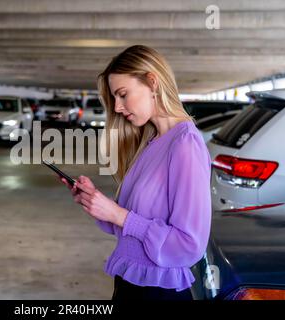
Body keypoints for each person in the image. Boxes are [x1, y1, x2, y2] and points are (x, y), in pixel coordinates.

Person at [60, 45, 212, 300]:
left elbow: (189, 245)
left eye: (122, 94)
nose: (118, 107)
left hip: (158, 293)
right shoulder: (151, 141)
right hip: (132, 284)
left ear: (152, 82)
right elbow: (129, 228)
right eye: (114, 99)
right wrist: (96, 202)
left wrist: (119, 215)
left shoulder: (185, 143)